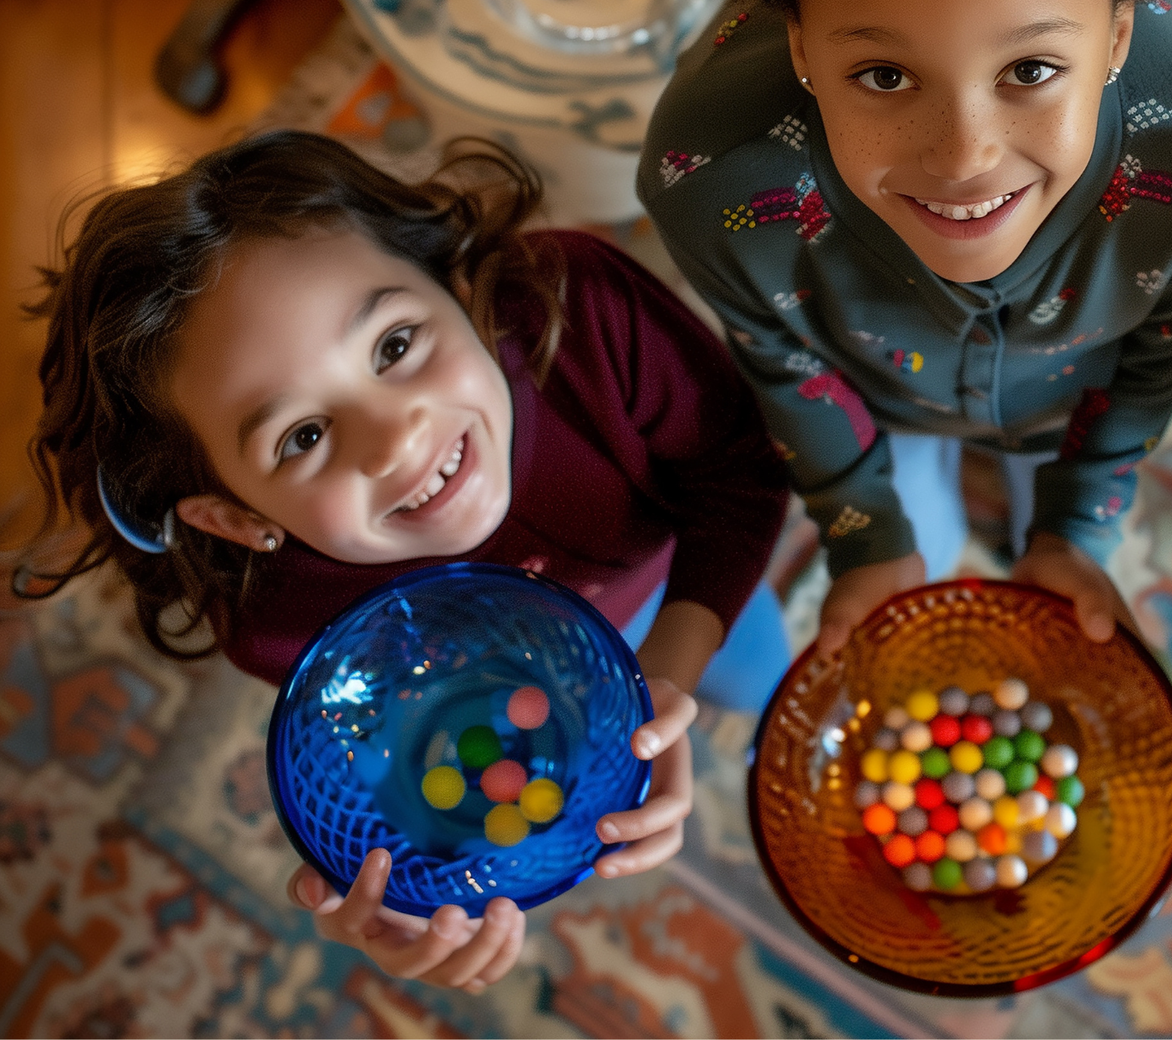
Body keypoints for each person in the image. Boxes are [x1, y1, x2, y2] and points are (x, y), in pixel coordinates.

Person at [15, 131, 793, 991]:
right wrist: (404, 901)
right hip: (508, 686)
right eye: (303, 436)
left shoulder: (583, 306)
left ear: (457, 285)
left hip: (675, 581)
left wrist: (670, 670)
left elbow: (738, 472)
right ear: (236, 518)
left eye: (393, 346)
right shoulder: (284, 631)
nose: (395, 441)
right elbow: (399, 766)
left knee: (760, 682)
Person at [639, 0, 1172, 652]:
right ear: (801, 47)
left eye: (1032, 70)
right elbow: (783, 358)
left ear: (1118, 37)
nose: (962, 159)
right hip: (879, 398)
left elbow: (1162, 347)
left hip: (1070, 396)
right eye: (885, 76)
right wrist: (866, 532)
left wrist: (1073, 529)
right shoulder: (710, 184)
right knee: (919, 552)